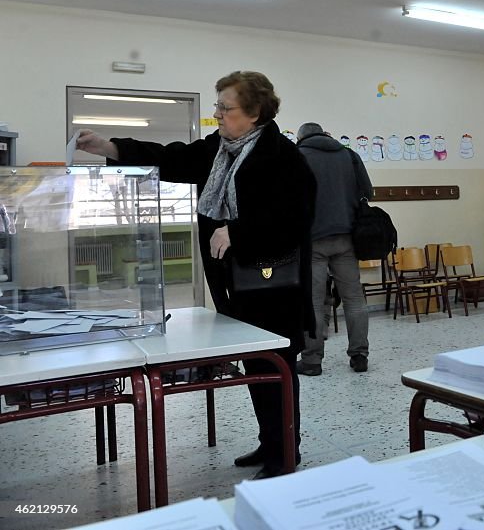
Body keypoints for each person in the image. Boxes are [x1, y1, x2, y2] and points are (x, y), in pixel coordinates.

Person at [76, 70, 315, 480]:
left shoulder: (283, 156)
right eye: (217, 105)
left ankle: (285, 452)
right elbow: (172, 157)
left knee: (277, 365)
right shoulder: (219, 149)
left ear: (254, 112)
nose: (218, 114)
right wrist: (109, 147)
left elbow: (295, 218)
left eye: (226, 107)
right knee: (256, 367)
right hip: (237, 283)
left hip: (275, 286)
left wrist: (237, 231)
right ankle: (270, 441)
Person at [295, 122, 373, 375]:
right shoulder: (349, 155)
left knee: (314, 303)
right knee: (354, 300)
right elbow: (368, 192)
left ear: (301, 137)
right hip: (346, 237)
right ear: (324, 133)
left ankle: (312, 361)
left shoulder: (298, 156)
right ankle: (359, 355)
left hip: (311, 240)